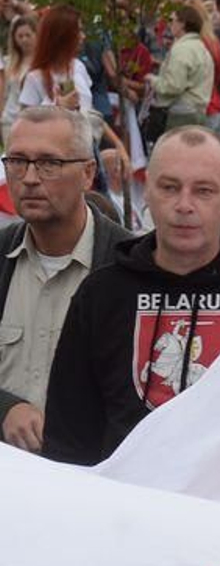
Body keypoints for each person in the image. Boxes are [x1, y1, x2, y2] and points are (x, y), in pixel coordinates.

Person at [42, 128, 220, 465]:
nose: (184, 205)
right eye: (169, 187)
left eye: (204, 191)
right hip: (122, 505)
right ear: (147, 188)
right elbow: (68, 436)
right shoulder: (102, 293)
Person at [0, 108, 133, 452]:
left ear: (88, 173)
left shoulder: (130, 265)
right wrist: (6, 408)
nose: (29, 177)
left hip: (90, 484)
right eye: (17, 161)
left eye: (49, 163)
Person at [150, 5, 215, 133]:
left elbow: (173, 86)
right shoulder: (200, 47)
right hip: (198, 110)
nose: (170, 25)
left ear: (182, 24)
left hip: (181, 113)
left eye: (172, 20)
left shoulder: (182, 49)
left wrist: (153, 81)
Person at [19, 6, 93, 115]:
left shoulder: (78, 66)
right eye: (78, 31)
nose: (83, 36)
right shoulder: (34, 77)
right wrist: (57, 106)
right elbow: (26, 120)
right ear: (62, 36)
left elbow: (91, 112)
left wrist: (111, 133)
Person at [2, 12, 37, 143]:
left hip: (34, 121)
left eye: (28, 35)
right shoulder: (8, 62)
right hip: (10, 120)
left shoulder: (42, 63)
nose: (24, 40)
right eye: (20, 36)